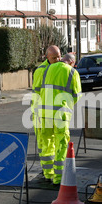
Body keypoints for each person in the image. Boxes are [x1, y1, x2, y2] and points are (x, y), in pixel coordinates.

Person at [37, 53, 82, 185]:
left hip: (44, 113)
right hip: (60, 114)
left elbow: (40, 89)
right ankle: (58, 178)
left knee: (47, 144)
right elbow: (77, 95)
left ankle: (47, 174)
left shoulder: (48, 68)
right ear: (72, 63)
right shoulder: (72, 72)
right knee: (61, 144)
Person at [31, 45, 61, 181]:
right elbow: (36, 94)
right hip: (42, 114)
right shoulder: (41, 71)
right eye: (54, 57)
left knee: (55, 143)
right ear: (47, 57)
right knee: (46, 144)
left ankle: (55, 172)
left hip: (56, 113)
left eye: (59, 56)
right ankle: (48, 172)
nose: (57, 59)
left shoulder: (61, 69)